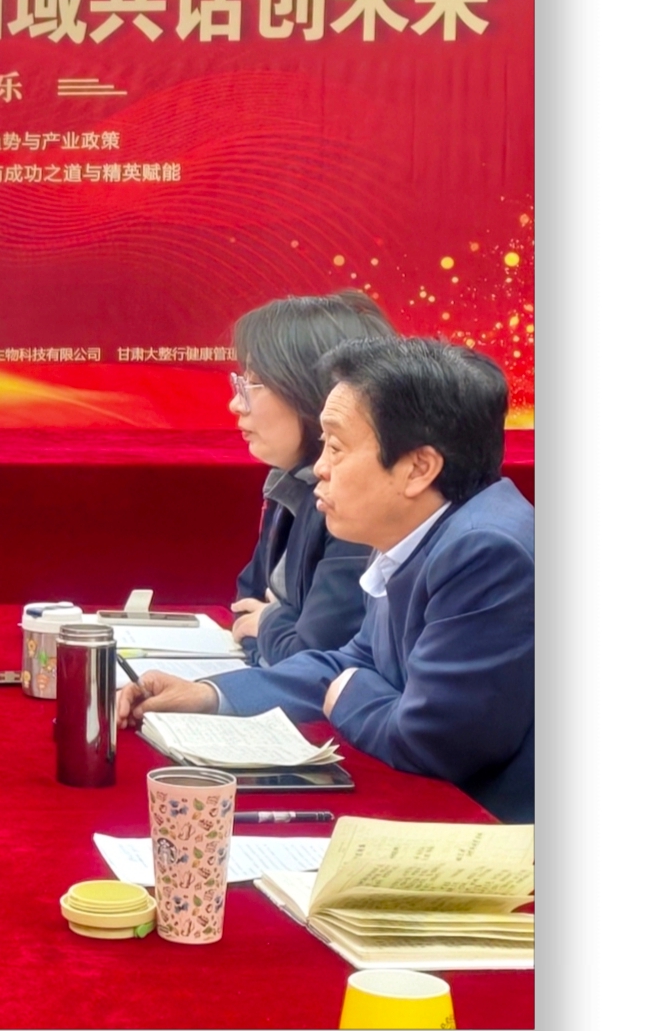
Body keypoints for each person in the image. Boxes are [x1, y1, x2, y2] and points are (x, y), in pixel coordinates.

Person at [120, 337, 534, 823]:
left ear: (418, 468)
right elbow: (353, 660)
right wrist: (210, 695)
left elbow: (433, 741)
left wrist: (351, 692)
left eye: (336, 447)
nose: (319, 467)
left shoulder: (486, 552)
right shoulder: (421, 527)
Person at [225, 290, 398, 665]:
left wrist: (269, 622)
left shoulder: (358, 499)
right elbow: (244, 605)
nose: (236, 404)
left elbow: (315, 655)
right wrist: (276, 627)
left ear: (313, 390)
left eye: (253, 384)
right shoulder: (290, 479)